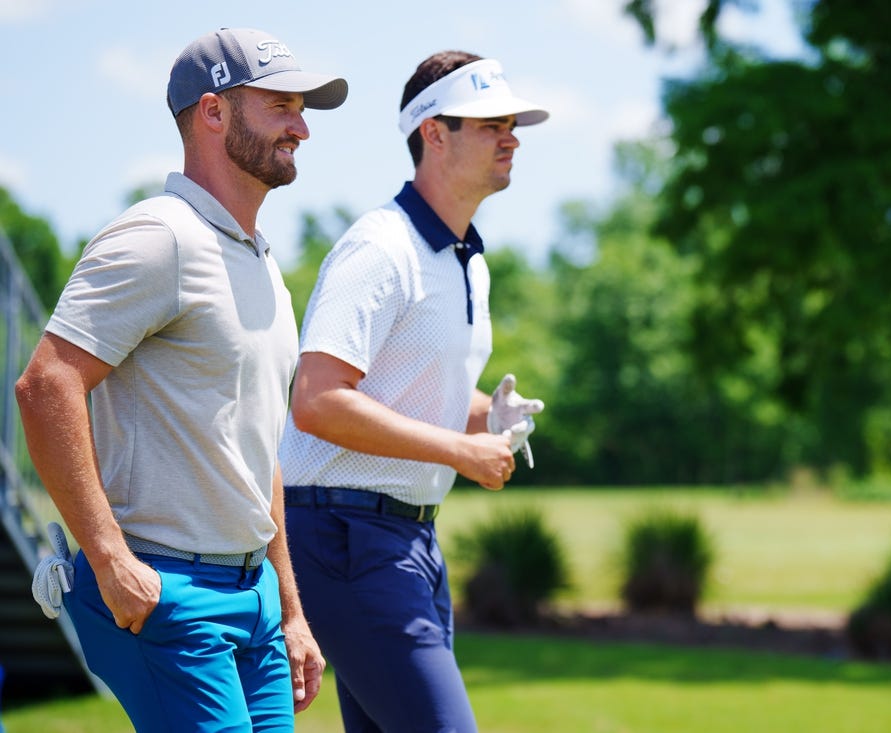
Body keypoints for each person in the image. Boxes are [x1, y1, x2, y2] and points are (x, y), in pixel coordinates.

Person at [14, 28, 347, 733]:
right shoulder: (158, 237)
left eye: (302, 107)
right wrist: (107, 558)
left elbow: (259, 456)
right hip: (169, 591)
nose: (302, 126)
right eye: (281, 104)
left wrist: (289, 608)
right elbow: (46, 385)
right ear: (214, 112)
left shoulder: (263, 267)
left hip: (254, 594)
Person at [278, 50, 548, 732]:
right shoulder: (380, 248)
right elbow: (317, 399)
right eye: (490, 124)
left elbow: (406, 392)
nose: (511, 137)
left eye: (512, 123)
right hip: (342, 535)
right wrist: (460, 450)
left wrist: (489, 412)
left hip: (409, 542)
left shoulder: (467, 259)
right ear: (433, 133)